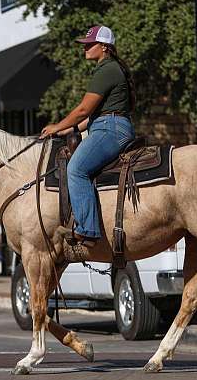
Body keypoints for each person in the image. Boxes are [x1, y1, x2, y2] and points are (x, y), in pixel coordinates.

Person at [40, 25, 136, 246]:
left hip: (110, 130)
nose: (85, 48)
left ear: (104, 47)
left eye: (89, 44)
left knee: (76, 169)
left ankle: (88, 230)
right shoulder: (108, 68)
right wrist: (65, 129)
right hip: (106, 125)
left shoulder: (107, 70)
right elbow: (91, 117)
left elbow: (84, 109)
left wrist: (56, 126)